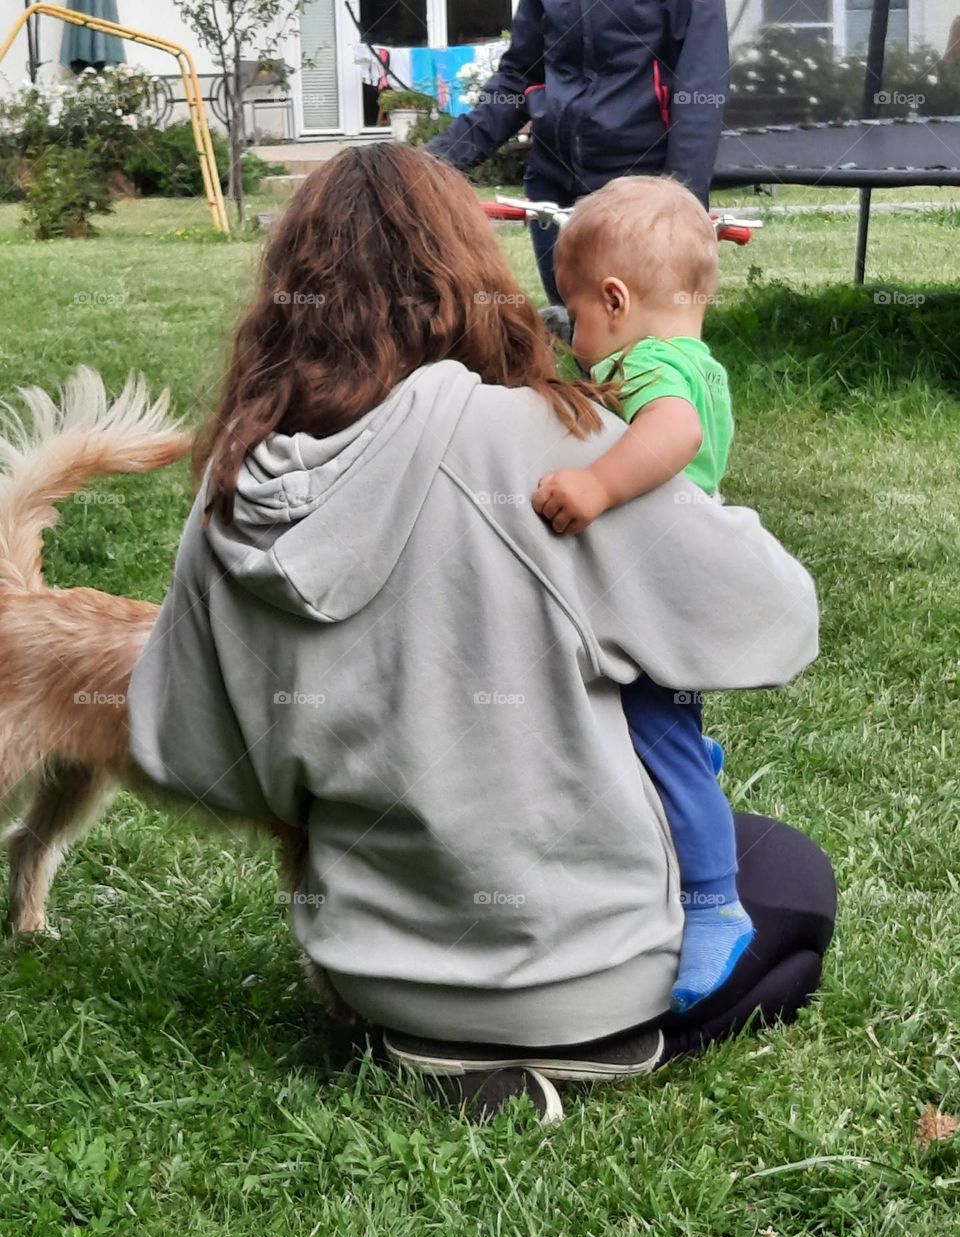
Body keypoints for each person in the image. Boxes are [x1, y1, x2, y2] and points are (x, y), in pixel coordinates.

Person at [127, 144, 835, 1125]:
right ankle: (598, 1045)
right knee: (792, 873)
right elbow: (780, 615)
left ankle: (436, 1040)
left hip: (373, 979)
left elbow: (190, 753)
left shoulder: (230, 486)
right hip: (583, 976)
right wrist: (698, 502)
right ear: (474, 275)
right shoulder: (548, 440)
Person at [532, 174, 748, 1015]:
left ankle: (715, 903)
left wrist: (594, 489)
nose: (576, 335)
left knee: (654, 734)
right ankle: (691, 767)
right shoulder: (696, 360)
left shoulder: (651, 364)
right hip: (675, 595)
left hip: (655, 598)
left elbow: (673, 435)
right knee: (659, 727)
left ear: (615, 300)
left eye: (577, 316)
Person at [427, 0, 729, 304]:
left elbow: (700, 95)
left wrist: (681, 205)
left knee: (643, 338)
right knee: (577, 333)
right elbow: (518, 78)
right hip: (553, 184)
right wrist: (433, 162)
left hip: (639, 192)